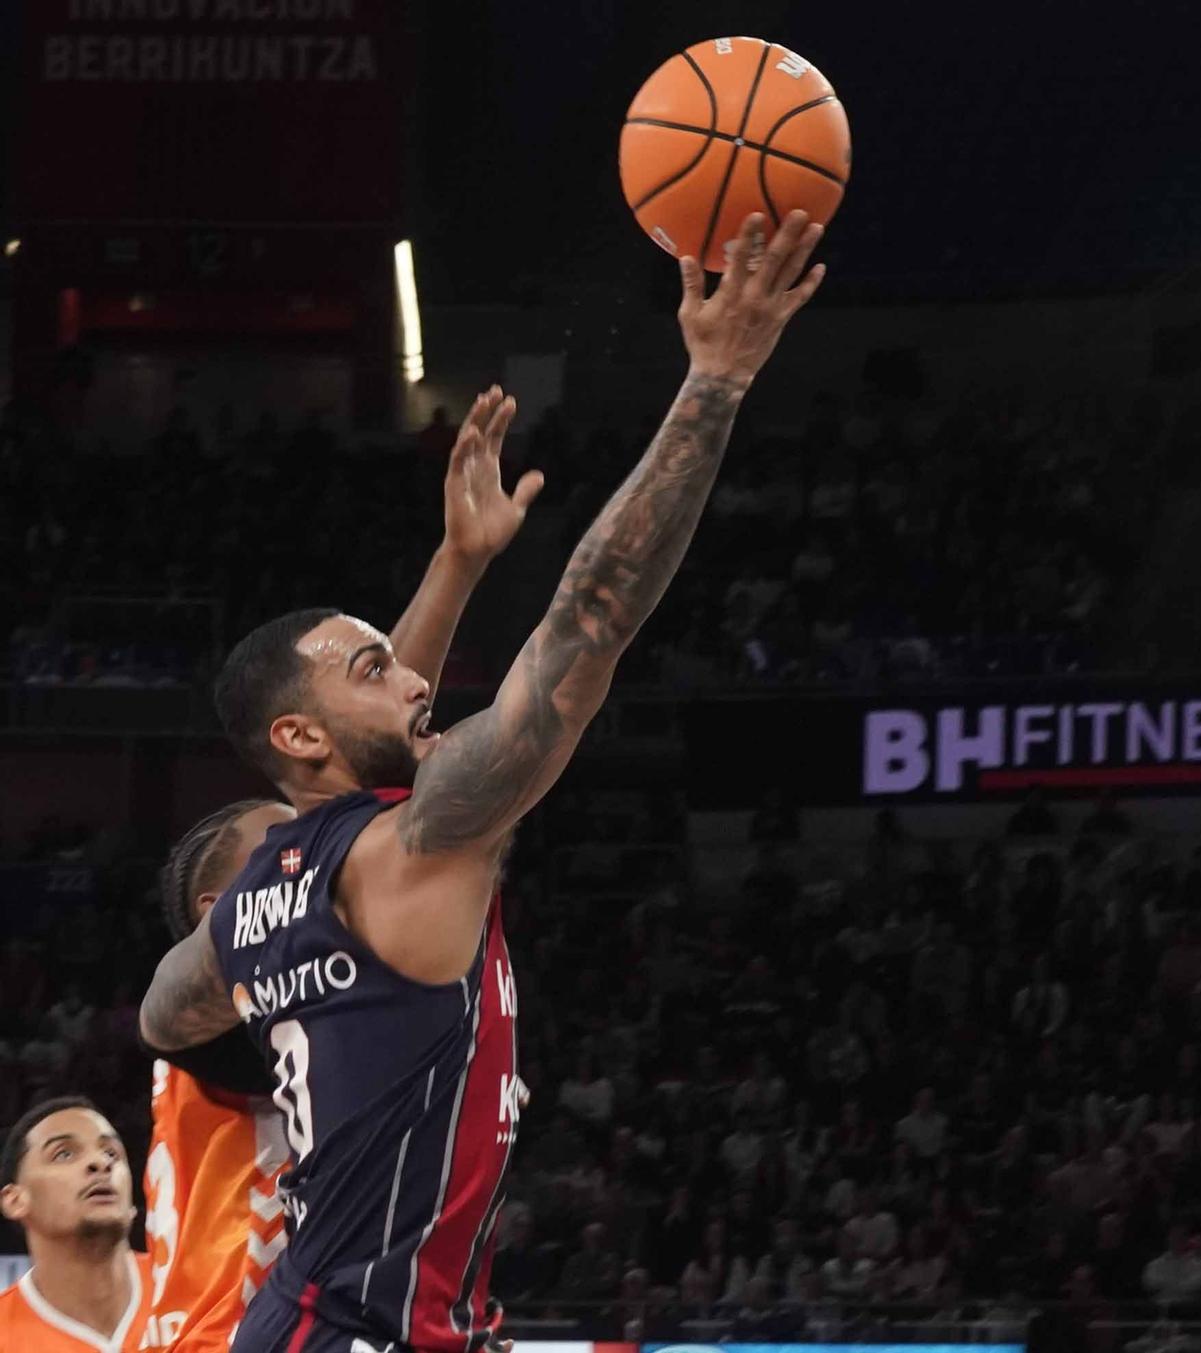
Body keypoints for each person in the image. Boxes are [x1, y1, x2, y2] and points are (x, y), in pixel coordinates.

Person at [136, 211, 825, 1353]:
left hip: (349, 1319)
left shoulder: (255, 914)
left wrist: (456, 567)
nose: (414, 680)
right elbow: (587, 622)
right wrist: (715, 380)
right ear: (299, 739)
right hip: (358, 1330)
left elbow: (167, 1010)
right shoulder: (422, 845)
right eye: (373, 667)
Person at [140, 414, 539, 1353]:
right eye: (286, 842)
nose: (315, 843)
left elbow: (367, 756)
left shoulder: (283, 960)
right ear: (222, 912)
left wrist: (455, 564)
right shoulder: (245, 1008)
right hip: (238, 1326)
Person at [0, 1098, 145, 1353]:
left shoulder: (199, 1289)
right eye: (64, 1154)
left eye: (111, 1153)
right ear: (15, 1200)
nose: (101, 1163)